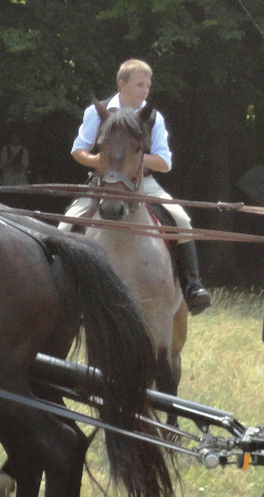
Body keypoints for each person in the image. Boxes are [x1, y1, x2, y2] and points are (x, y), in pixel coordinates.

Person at [67, 59, 210, 314]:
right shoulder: (96, 112)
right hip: (104, 182)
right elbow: (78, 150)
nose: (145, 90)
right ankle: (62, 286)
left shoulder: (153, 117)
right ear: (122, 84)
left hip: (142, 182)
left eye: (148, 85)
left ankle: (192, 286)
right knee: (67, 222)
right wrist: (99, 160)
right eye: (139, 84)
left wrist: (130, 160)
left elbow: (164, 162)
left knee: (182, 220)